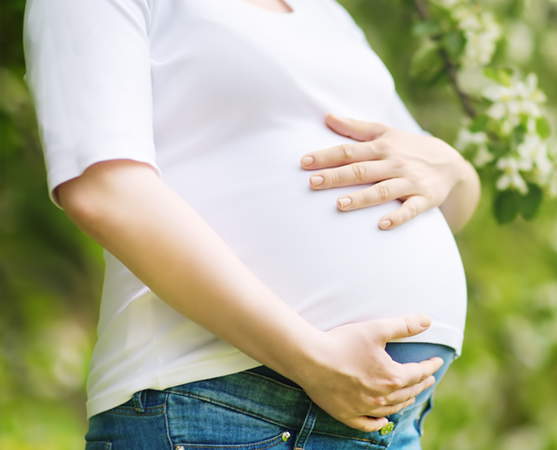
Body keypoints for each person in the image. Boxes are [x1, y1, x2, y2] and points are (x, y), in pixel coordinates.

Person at [22, 0, 480, 448]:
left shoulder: (326, 13)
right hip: (217, 404)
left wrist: (454, 167)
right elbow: (105, 192)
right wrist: (310, 359)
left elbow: (445, 203)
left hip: (385, 423)